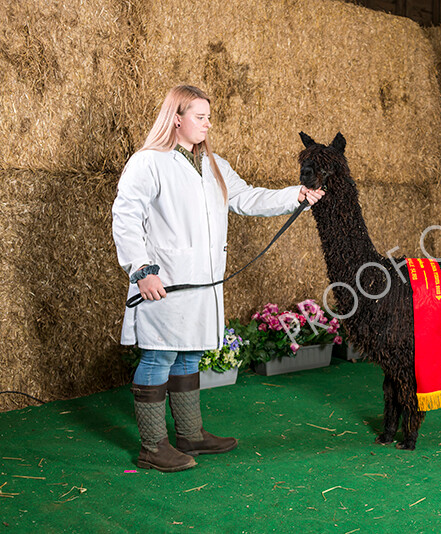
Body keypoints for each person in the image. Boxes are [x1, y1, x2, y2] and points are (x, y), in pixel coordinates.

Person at [112, 85, 324, 472]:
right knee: (159, 355)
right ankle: (152, 446)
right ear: (176, 118)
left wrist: (295, 195)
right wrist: (140, 270)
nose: (208, 124)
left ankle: (190, 433)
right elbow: (125, 218)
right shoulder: (148, 162)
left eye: (209, 116)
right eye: (200, 116)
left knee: (190, 353)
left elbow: (246, 198)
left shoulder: (214, 164)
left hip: (204, 282)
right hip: (164, 280)